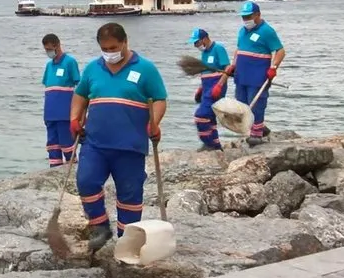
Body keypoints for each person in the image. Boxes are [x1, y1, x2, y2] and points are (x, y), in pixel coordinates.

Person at [69, 23, 167, 252]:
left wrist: (154, 123)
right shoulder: (93, 69)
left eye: (113, 47)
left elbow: (159, 99)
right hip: (95, 143)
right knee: (86, 181)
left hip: (130, 145)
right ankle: (100, 226)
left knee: (130, 193)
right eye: (105, 48)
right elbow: (80, 95)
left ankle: (127, 238)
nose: (109, 52)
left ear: (125, 42)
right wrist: (74, 119)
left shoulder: (145, 69)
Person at [226, 1, 285, 146]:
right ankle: (257, 127)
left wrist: (274, 67)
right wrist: (233, 65)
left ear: (258, 14)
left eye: (249, 16)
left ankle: (257, 134)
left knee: (257, 103)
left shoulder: (267, 31)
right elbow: (238, 49)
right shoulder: (242, 31)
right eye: (244, 17)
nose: (246, 20)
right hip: (241, 74)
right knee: (242, 104)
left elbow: (280, 51)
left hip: (257, 75)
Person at [41, 33, 81, 168]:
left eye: (50, 49)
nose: (48, 52)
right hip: (50, 112)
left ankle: (72, 168)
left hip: (64, 112)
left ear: (57, 45)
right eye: (46, 50)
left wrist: (78, 113)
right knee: (52, 143)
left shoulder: (69, 62)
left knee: (67, 141)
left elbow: (79, 86)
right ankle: (54, 168)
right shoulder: (49, 65)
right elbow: (47, 86)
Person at [187, 28, 230, 151]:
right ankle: (216, 145)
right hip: (206, 87)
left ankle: (208, 144)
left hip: (216, 87)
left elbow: (228, 68)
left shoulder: (218, 49)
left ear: (205, 39)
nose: (196, 45)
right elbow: (205, 72)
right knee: (210, 118)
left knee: (201, 116)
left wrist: (219, 85)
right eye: (195, 43)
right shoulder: (204, 53)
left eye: (197, 42)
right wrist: (200, 89)